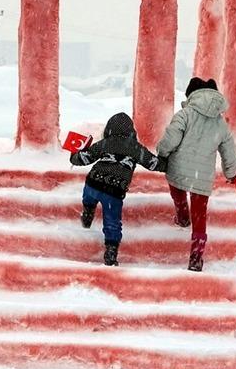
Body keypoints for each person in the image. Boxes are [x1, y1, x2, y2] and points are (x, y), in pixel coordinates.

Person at [156, 77, 236, 272]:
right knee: (200, 214)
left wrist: (162, 153)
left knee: (177, 192)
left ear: (191, 94)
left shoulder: (185, 114)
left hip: (178, 169)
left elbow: (170, 139)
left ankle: (182, 216)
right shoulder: (220, 124)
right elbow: (229, 150)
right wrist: (231, 173)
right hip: (202, 175)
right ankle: (196, 256)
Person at [69, 112, 166, 266]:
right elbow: (154, 164)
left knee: (88, 197)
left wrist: (74, 155)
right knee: (112, 222)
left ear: (109, 129)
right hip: (114, 191)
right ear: (131, 131)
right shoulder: (136, 148)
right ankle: (111, 251)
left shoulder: (105, 143)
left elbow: (84, 158)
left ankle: (87, 213)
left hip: (93, 182)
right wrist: (166, 162)